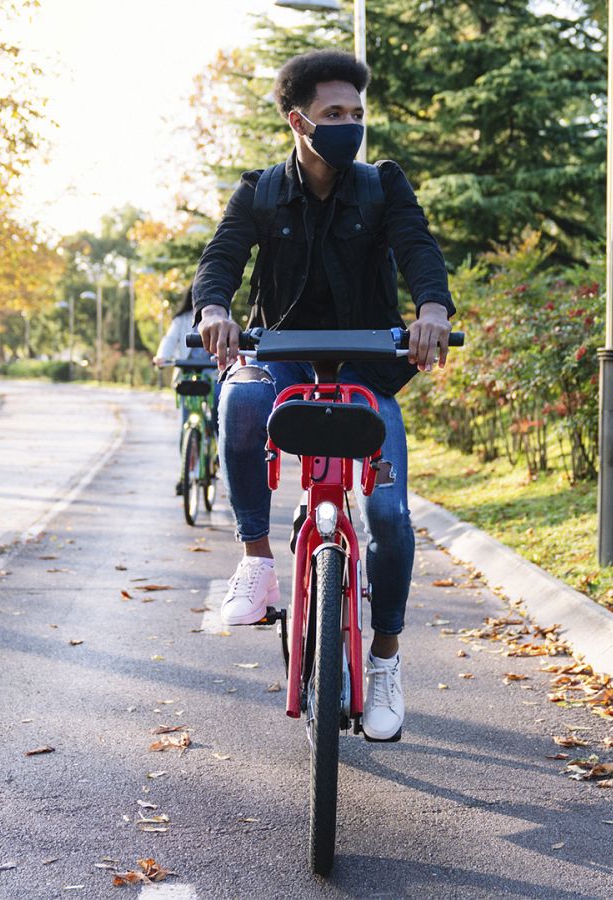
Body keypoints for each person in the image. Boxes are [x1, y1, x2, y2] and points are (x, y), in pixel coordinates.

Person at [192, 49, 454, 742]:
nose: (350, 125)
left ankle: (387, 657)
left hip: (367, 370)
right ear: (298, 120)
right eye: (335, 114)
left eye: (358, 114)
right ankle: (256, 561)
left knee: (390, 516)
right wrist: (214, 308)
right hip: (282, 361)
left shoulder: (382, 186)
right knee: (242, 401)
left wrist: (432, 309)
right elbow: (219, 259)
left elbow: (418, 249)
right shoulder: (258, 193)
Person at [155, 290, 219, 496]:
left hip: (213, 372)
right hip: (188, 373)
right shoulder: (182, 319)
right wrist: (161, 357)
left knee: (219, 410)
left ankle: (219, 453)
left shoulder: (220, 314)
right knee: (185, 422)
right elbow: (170, 339)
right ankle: (185, 474)